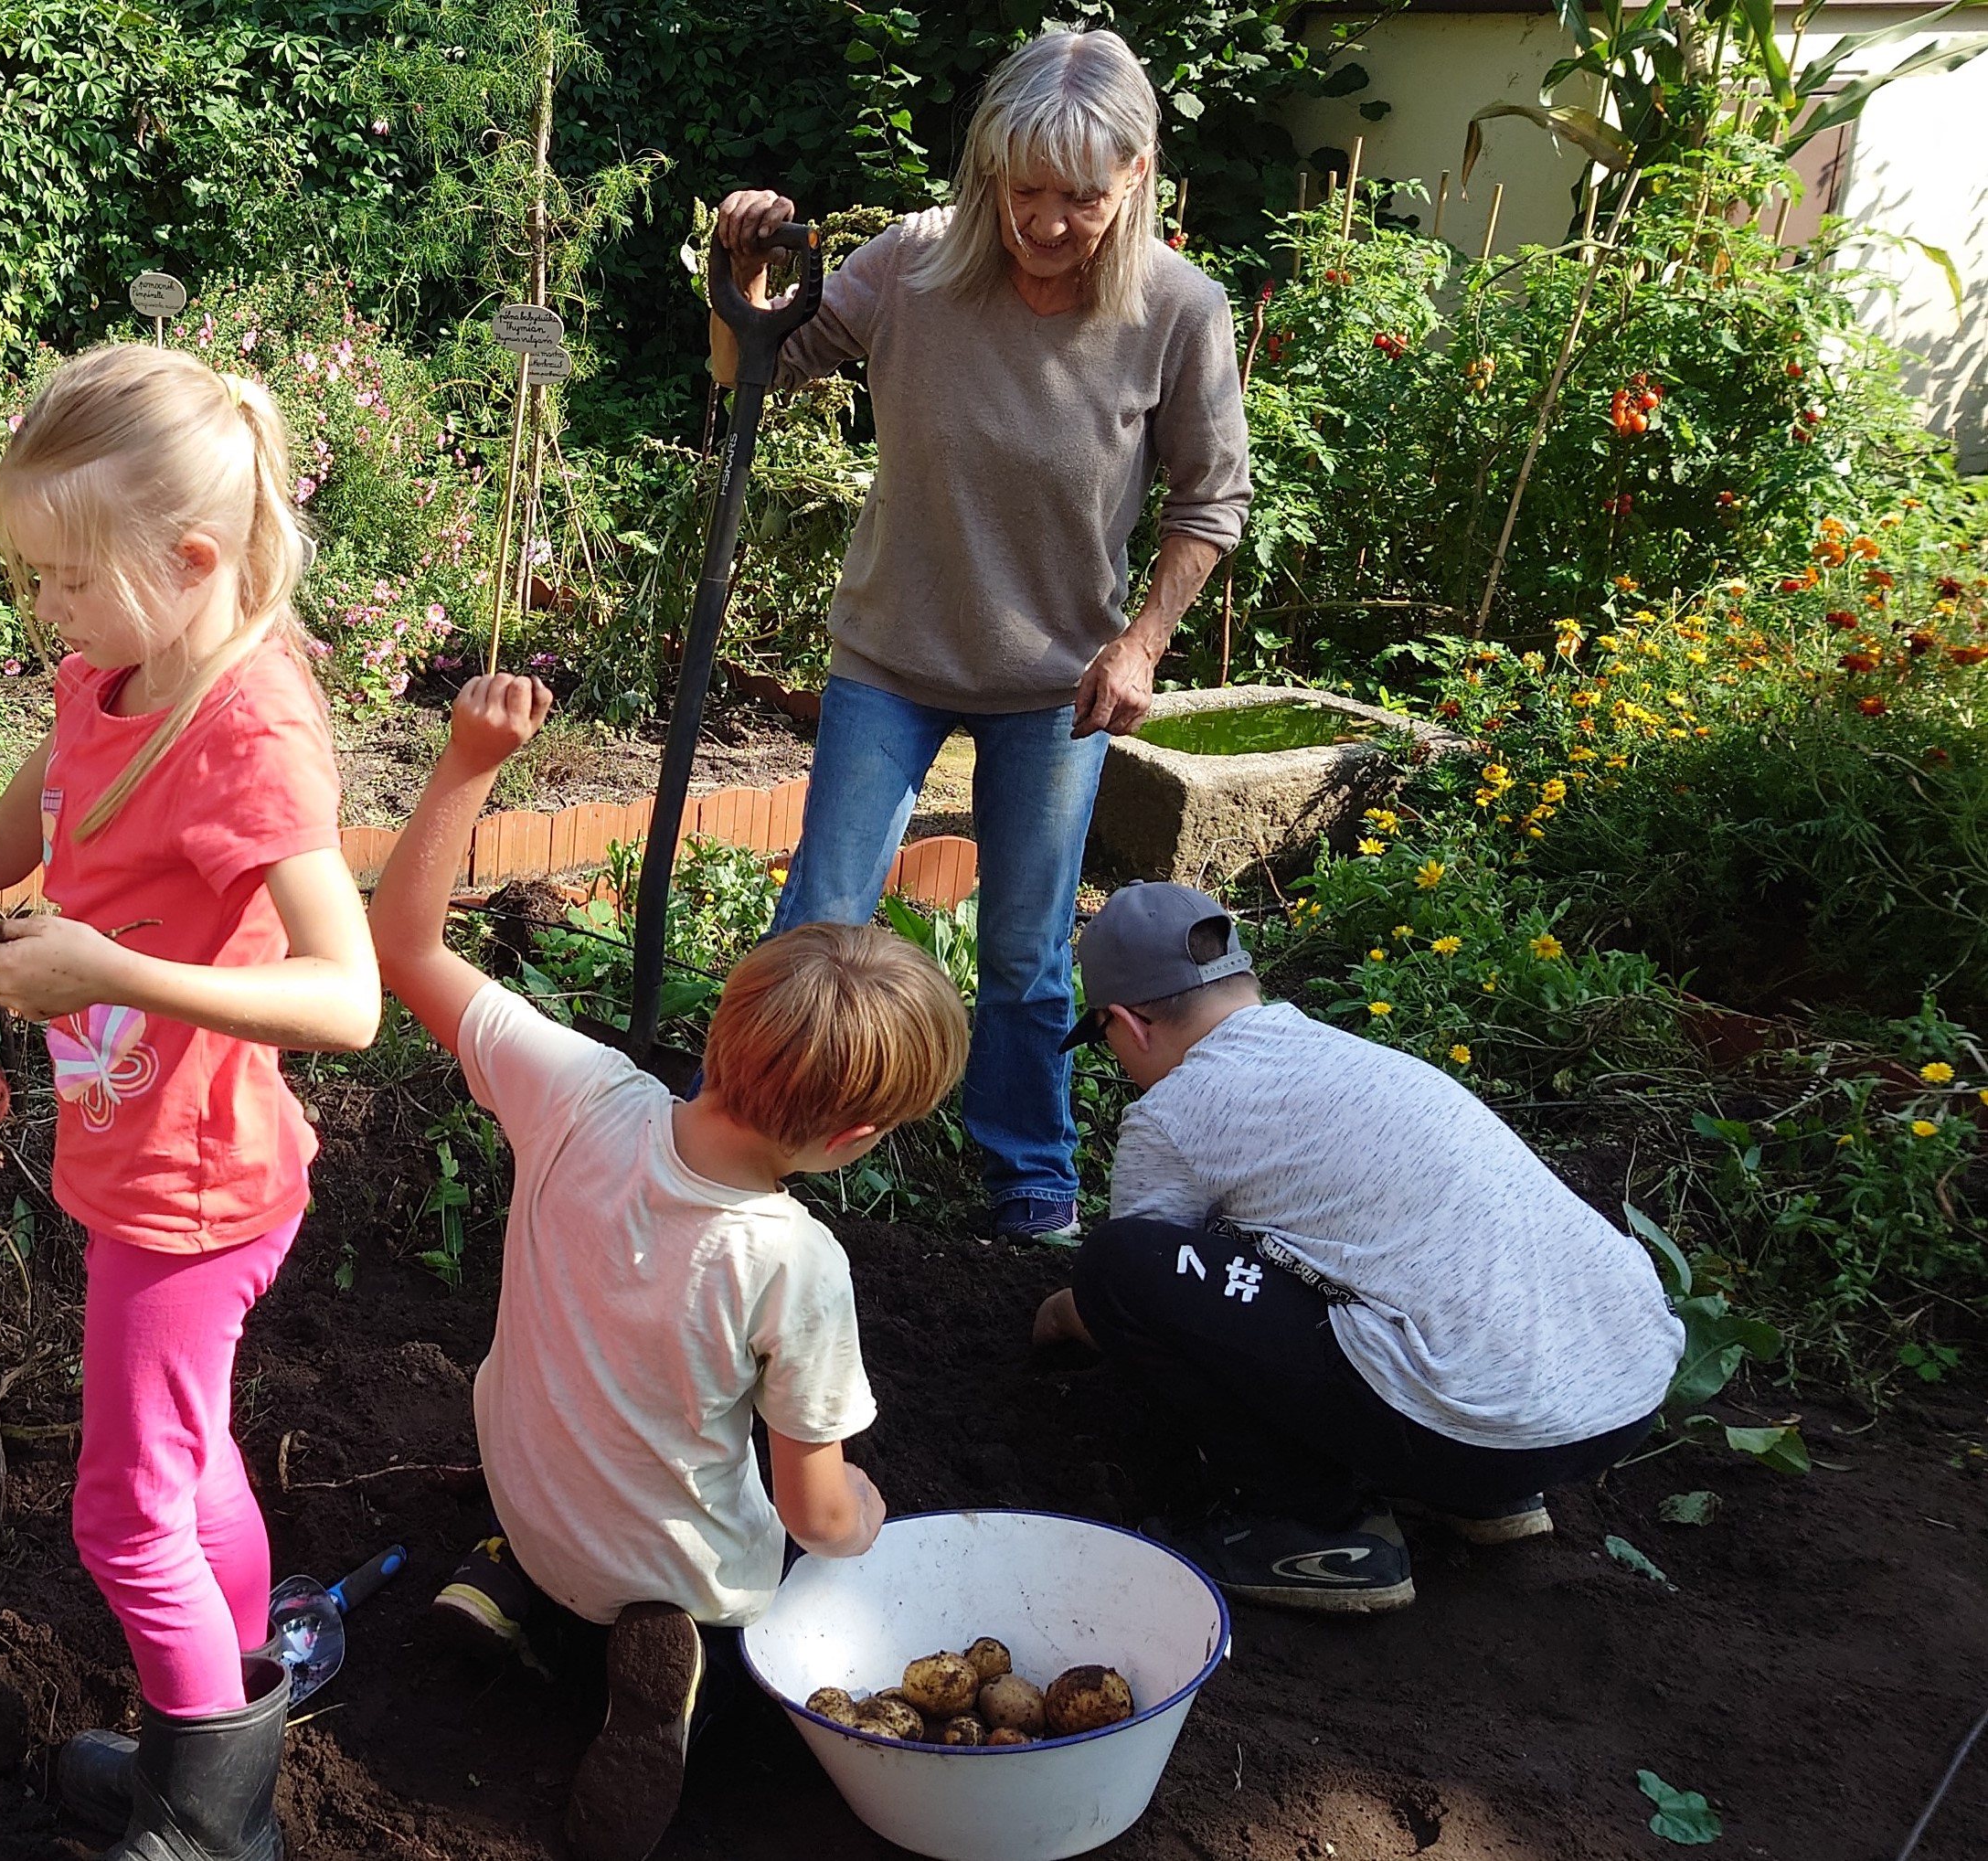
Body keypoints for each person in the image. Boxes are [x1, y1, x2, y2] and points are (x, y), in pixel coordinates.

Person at [0, 346, 379, 1861]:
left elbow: (346, 997)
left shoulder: (249, 737)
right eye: (26, 578)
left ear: (189, 560)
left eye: (61, 581)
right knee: (193, 1467)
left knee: (119, 1515)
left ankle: (207, 1821)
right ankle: (226, 1713)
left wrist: (116, 966)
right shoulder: (103, 681)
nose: (41, 613)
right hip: (140, 1165)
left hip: (199, 1190)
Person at [367, 672, 967, 1861]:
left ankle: (513, 1585)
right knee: (782, 1608)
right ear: (850, 1142)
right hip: (672, 1576)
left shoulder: (579, 1091)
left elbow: (401, 944)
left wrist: (469, 762)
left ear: (723, 1027)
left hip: (531, 1495)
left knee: (572, 1442)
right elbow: (810, 1501)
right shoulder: (795, 1264)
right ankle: (661, 1662)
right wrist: (860, 1527)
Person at [714, 25, 1252, 1245]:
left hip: (1056, 687)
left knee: (1021, 949)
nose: (1046, 222)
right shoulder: (913, 265)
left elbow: (1211, 500)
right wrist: (744, 277)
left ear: (1135, 177)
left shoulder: (1178, 309)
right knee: (823, 917)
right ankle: (749, 1140)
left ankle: (1028, 1177)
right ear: (987, 171)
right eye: (1024, 190)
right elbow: (759, 367)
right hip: (889, 662)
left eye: (1080, 196)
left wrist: (1142, 643)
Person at [1033, 883, 1685, 1613]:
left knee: (1118, 1266)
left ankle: (1314, 1524)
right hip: (1617, 1396)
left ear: (1129, 1022)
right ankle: (1483, 1500)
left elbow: (1143, 1297)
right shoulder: (1355, 1059)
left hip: (1479, 1424)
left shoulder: (1179, 1110)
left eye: (1109, 1040)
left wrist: (1064, 1312)